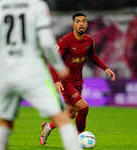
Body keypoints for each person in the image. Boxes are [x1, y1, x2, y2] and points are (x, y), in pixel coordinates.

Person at [0, 1, 83, 150]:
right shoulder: (37, 6)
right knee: (62, 117)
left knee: (5, 121)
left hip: (6, 73)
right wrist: (59, 66)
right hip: (33, 72)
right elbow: (46, 42)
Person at [40, 12, 115, 145]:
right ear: (73, 24)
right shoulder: (65, 41)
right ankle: (79, 138)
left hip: (78, 81)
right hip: (66, 82)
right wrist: (56, 81)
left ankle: (49, 126)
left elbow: (93, 56)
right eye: (78, 21)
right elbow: (53, 62)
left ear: (86, 24)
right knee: (84, 108)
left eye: (83, 21)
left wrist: (106, 68)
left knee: (70, 114)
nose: (81, 24)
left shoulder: (88, 40)